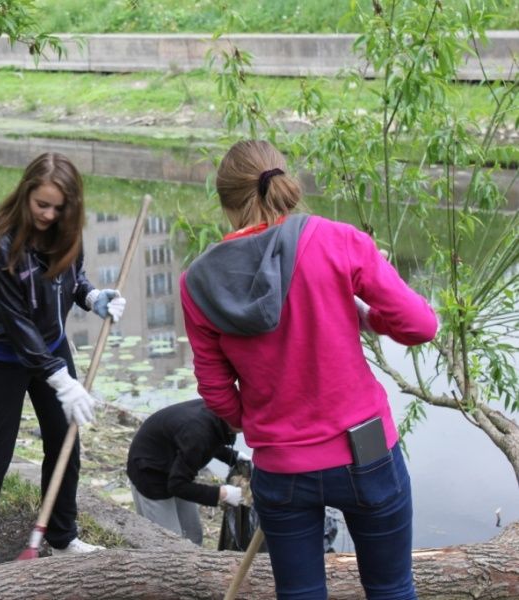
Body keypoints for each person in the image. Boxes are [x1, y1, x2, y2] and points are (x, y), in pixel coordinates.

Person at [180, 140, 438, 599]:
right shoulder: (338, 239)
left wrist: (258, 420)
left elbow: (216, 389)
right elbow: (420, 325)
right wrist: (371, 317)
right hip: (366, 451)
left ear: (225, 204)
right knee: (392, 589)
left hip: (280, 464)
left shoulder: (197, 281)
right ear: (284, 184)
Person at [0, 152, 126, 568]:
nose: (48, 214)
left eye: (58, 207)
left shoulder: (67, 229)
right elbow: (17, 323)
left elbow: (71, 276)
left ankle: (62, 537)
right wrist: (60, 378)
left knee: (65, 442)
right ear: (26, 194)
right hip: (1, 353)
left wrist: (91, 297)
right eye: (41, 204)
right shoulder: (0, 244)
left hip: (50, 346)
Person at [126, 398, 245, 546]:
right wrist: (222, 494)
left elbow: (209, 440)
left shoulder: (220, 409)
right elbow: (178, 486)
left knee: (192, 535)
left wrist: (235, 457)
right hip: (149, 472)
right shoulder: (198, 431)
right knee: (168, 544)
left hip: (175, 466)